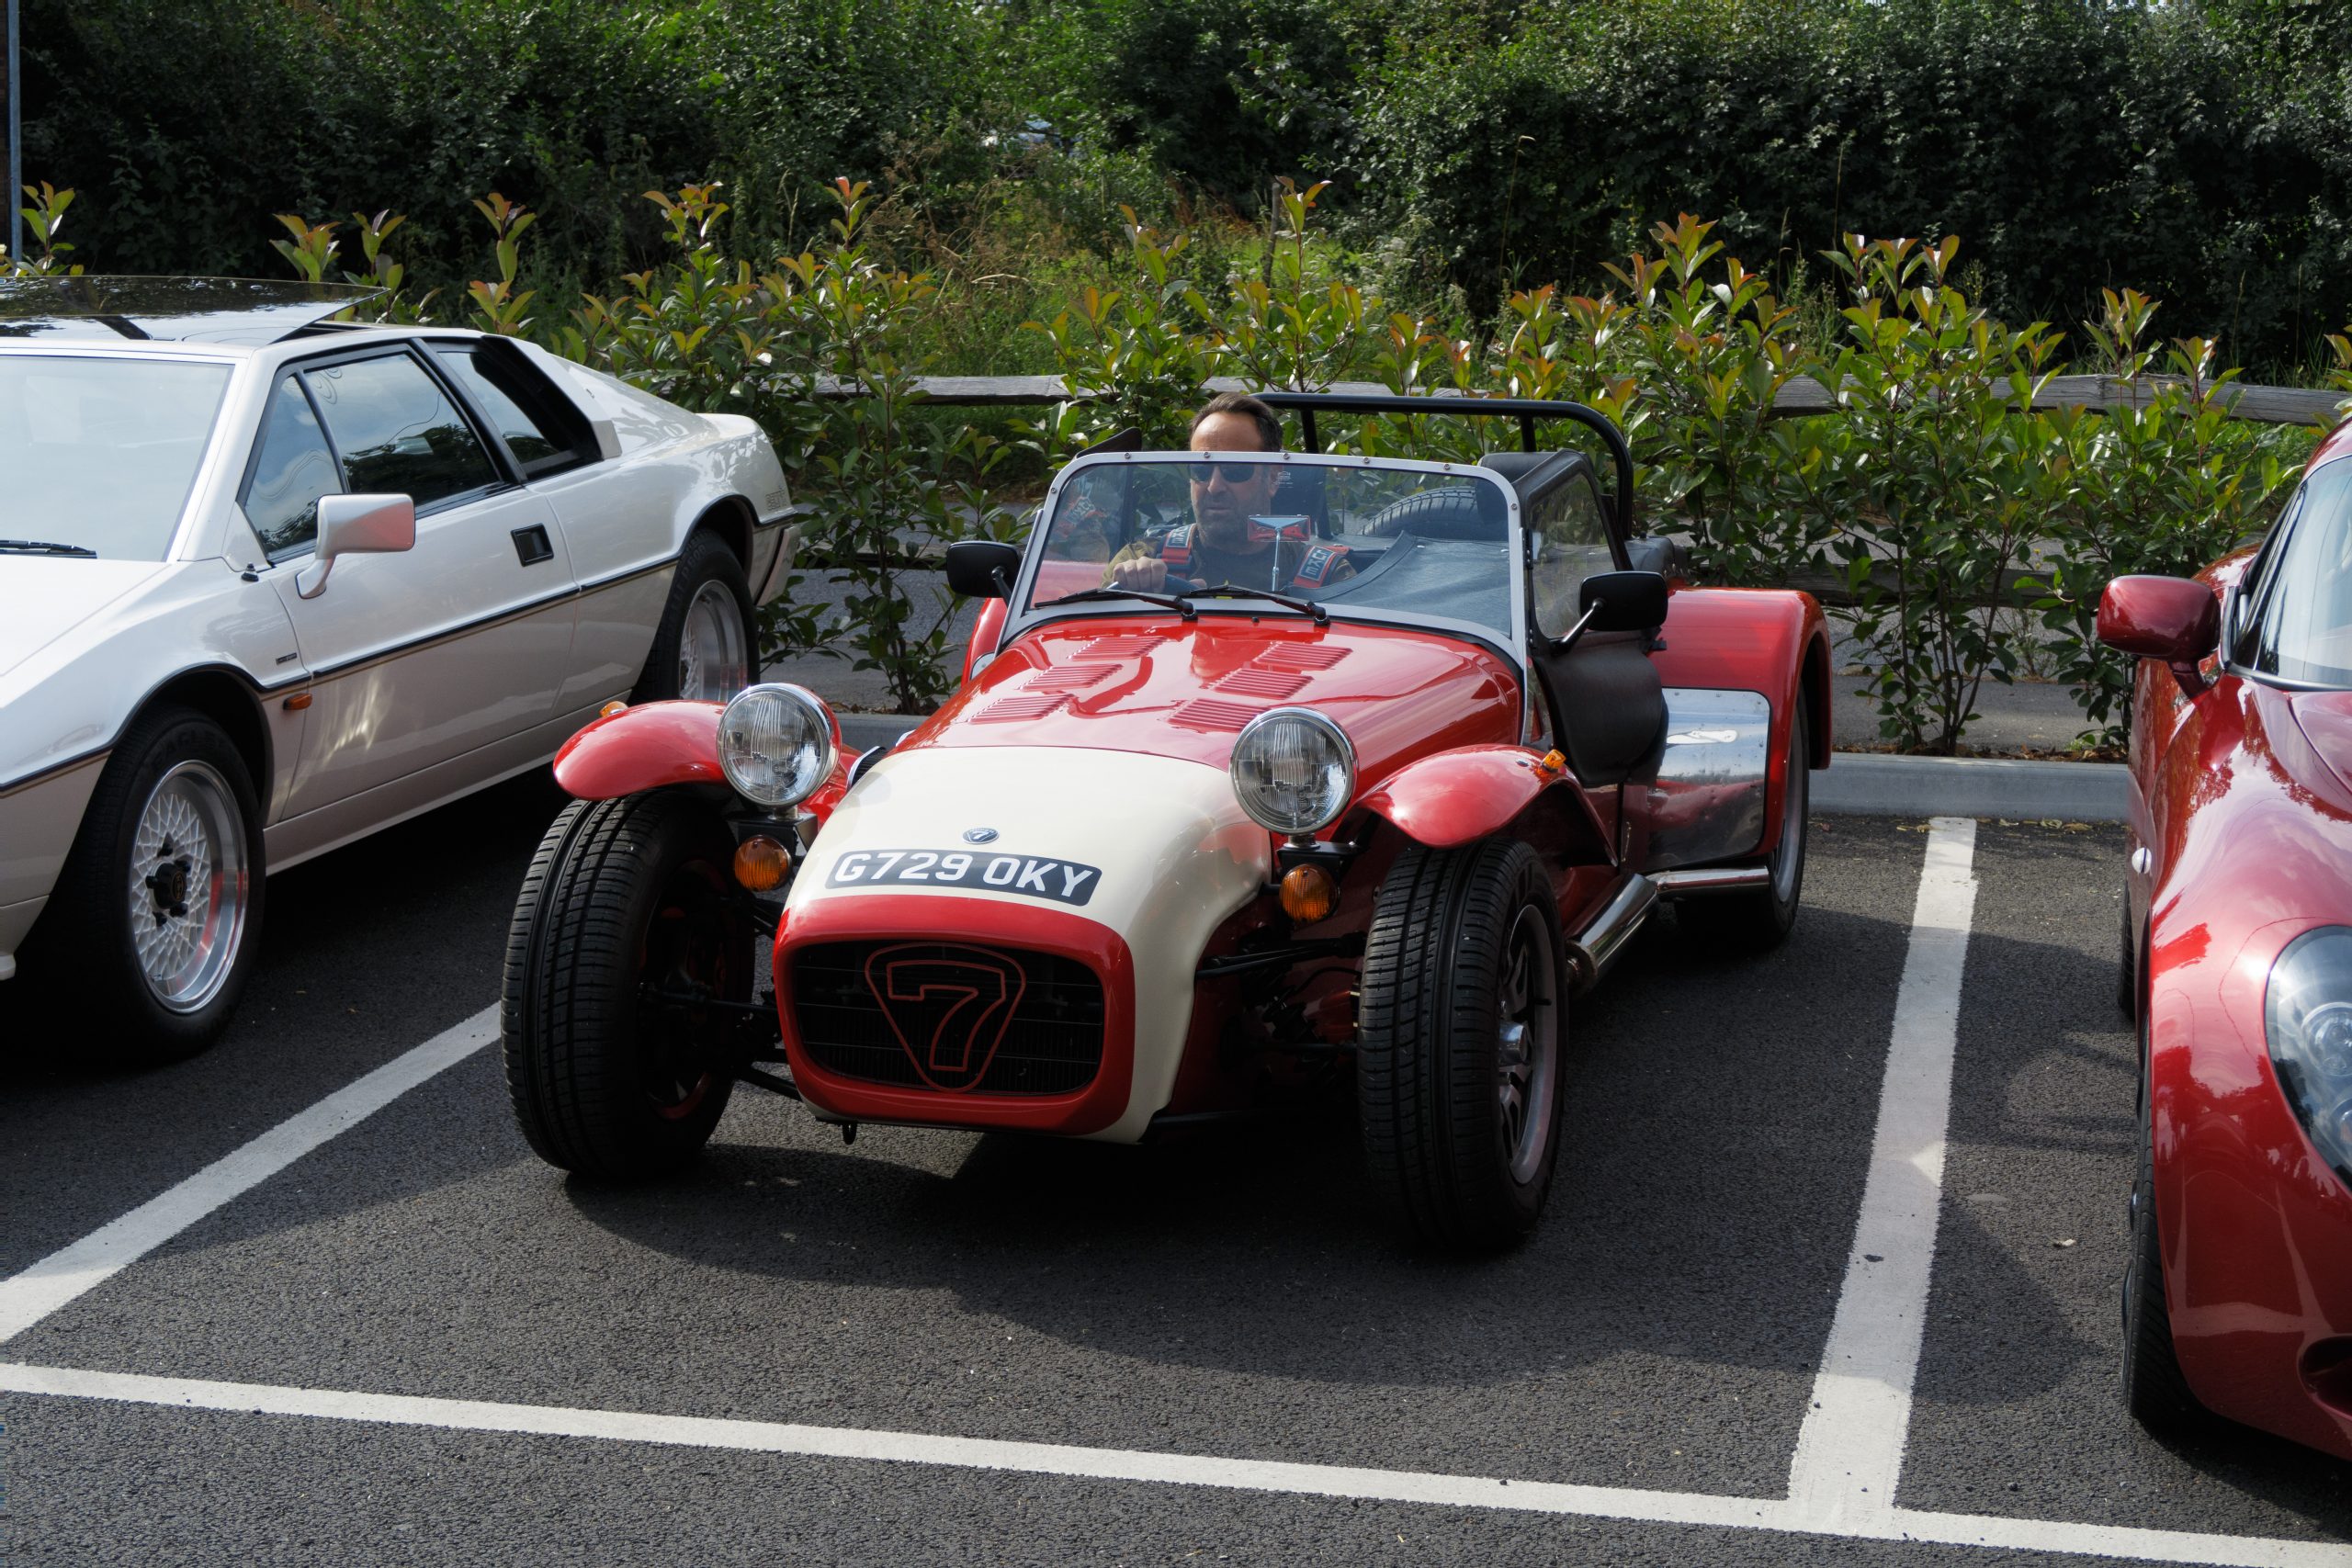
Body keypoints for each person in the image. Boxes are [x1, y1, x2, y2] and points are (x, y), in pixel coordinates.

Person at [1104, 391, 1351, 593]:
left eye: (1234, 469)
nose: (1214, 486)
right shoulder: (1140, 561)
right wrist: (1135, 592)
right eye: (1201, 470)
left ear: (1273, 477)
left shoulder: (1329, 578)